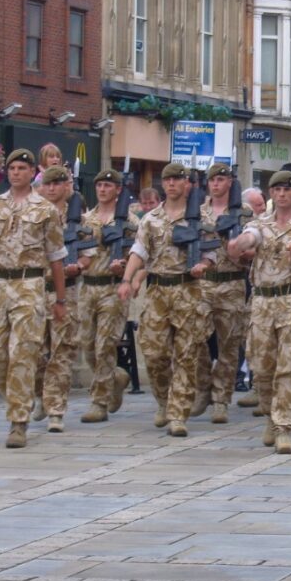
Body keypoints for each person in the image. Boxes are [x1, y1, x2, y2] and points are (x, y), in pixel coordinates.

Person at [0, 148, 68, 449]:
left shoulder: (46, 210)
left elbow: (56, 257)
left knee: (23, 351)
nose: (15, 172)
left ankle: (18, 421)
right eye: (12, 168)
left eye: (21, 168)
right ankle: (22, 397)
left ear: (33, 172)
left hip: (29, 285)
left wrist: (60, 299)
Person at [227, 170, 291, 454]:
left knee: (288, 364)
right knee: (262, 368)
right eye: (277, 190)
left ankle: (283, 427)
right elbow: (249, 237)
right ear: (271, 194)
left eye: (287, 190)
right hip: (262, 304)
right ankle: (271, 414)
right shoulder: (260, 223)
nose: (282, 194)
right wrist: (238, 245)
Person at [117, 163, 212, 437]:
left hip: (187, 290)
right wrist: (127, 279)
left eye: (177, 179)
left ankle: (178, 413)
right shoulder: (151, 218)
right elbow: (139, 251)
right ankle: (163, 400)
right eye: (167, 179)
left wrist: (202, 265)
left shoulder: (199, 217)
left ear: (187, 184)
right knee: (154, 354)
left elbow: (210, 254)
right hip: (158, 291)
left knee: (186, 356)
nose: (171, 184)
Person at [75, 168, 135, 422]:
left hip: (112, 288)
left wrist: (124, 269)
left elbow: (138, 254)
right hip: (88, 287)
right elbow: (76, 250)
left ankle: (99, 401)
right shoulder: (84, 220)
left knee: (104, 346)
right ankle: (116, 378)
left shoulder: (129, 221)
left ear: (118, 190)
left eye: (108, 186)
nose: (102, 189)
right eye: (99, 185)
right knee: (87, 345)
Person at [194, 163, 252, 424]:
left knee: (229, 346)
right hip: (203, 283)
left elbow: (256, 250)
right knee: (195, 338)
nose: (216, 184)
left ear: (230, 182)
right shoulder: (196, 211)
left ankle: (221, 399)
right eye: (212, 180)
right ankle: (203, 386)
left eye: (221, 179)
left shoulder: (244, 213)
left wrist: (239, 250)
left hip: (232, 283)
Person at [30, 165, 83, 432]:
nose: (51, 189)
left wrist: (80, 265)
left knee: (62, 351)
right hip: (39, 288)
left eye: (57, 184)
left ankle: (56, 410)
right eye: (47, 184)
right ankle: (41, 394)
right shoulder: (33, 216)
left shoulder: (77, 219)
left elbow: (89, 249)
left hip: (67, 291)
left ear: (66, 187)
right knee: (37, 351)